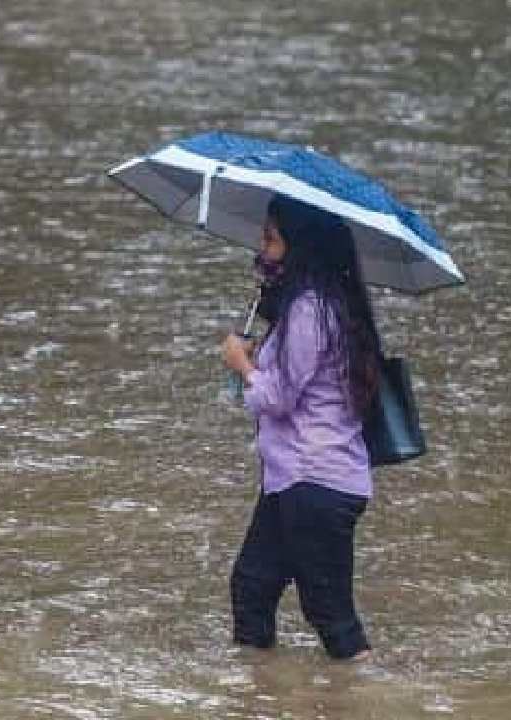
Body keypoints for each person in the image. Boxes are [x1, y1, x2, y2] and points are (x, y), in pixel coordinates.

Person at [220, 195, 381, 661]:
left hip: (315, 480)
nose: (262, 250)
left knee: (331, 616)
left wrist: (242, 366)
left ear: (300, 248)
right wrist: (254, 365)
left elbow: (278, 398)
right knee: (252, 585)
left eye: (271, 240)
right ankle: (258, 696)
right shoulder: (317, 307)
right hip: (292, 479)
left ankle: (365, 701)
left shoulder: (310, 310)